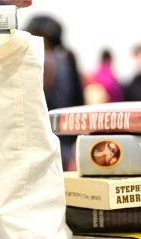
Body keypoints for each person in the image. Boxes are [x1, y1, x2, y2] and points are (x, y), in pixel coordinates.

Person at [25, 15, 84, 171]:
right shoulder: (66, 59)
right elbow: (78, 101)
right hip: (65, 145)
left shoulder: (40, 59)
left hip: (44, 146)